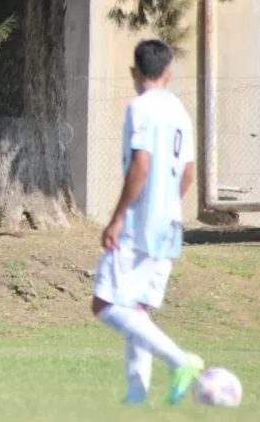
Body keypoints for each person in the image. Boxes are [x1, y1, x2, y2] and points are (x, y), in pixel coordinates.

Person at [92, 39, 204, 405]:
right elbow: (188, 172)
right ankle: (137, 393)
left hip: (140, 225)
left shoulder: (140, 108)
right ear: (168, 73)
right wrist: (169, 207)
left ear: (134, 72)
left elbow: (142, 164)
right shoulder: (180, 111)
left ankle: (180, 360)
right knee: (137, 308)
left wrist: (118, 216)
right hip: (169, 225)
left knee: (106, 305)